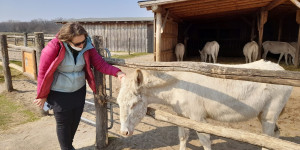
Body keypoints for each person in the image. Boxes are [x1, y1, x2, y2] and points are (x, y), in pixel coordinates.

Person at [34, 22, 125, 150]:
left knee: (75, 121)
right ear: (66, 40)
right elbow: (43, 73)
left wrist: (117, 72)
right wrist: (42, 95)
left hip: (78, 91)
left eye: (83, 41)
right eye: (77, 44)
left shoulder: (87, 45)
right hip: (59, 93)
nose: (81, 45)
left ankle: (68, 145)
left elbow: (100, 64)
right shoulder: (53, 47)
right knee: (63, 124)